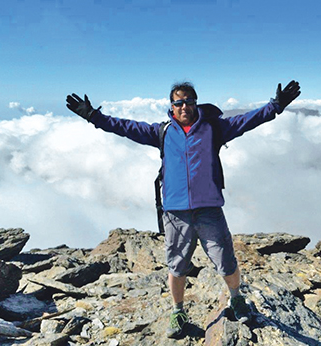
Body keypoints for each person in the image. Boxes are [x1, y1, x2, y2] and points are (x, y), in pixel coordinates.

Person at [66, 80, 301, 338]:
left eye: (188, 101)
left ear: (195, 102)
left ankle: (236, 298)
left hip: (209, 209)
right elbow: (124, 127)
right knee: (177, 266)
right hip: (176, 213)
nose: (184, 106)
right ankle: (178, 311)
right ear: (172, 106)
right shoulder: (162, 132)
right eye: (178, 102)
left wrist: (276, 106)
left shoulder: (214, 128)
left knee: (226, 262)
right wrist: (93, 116)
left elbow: (248, 120)